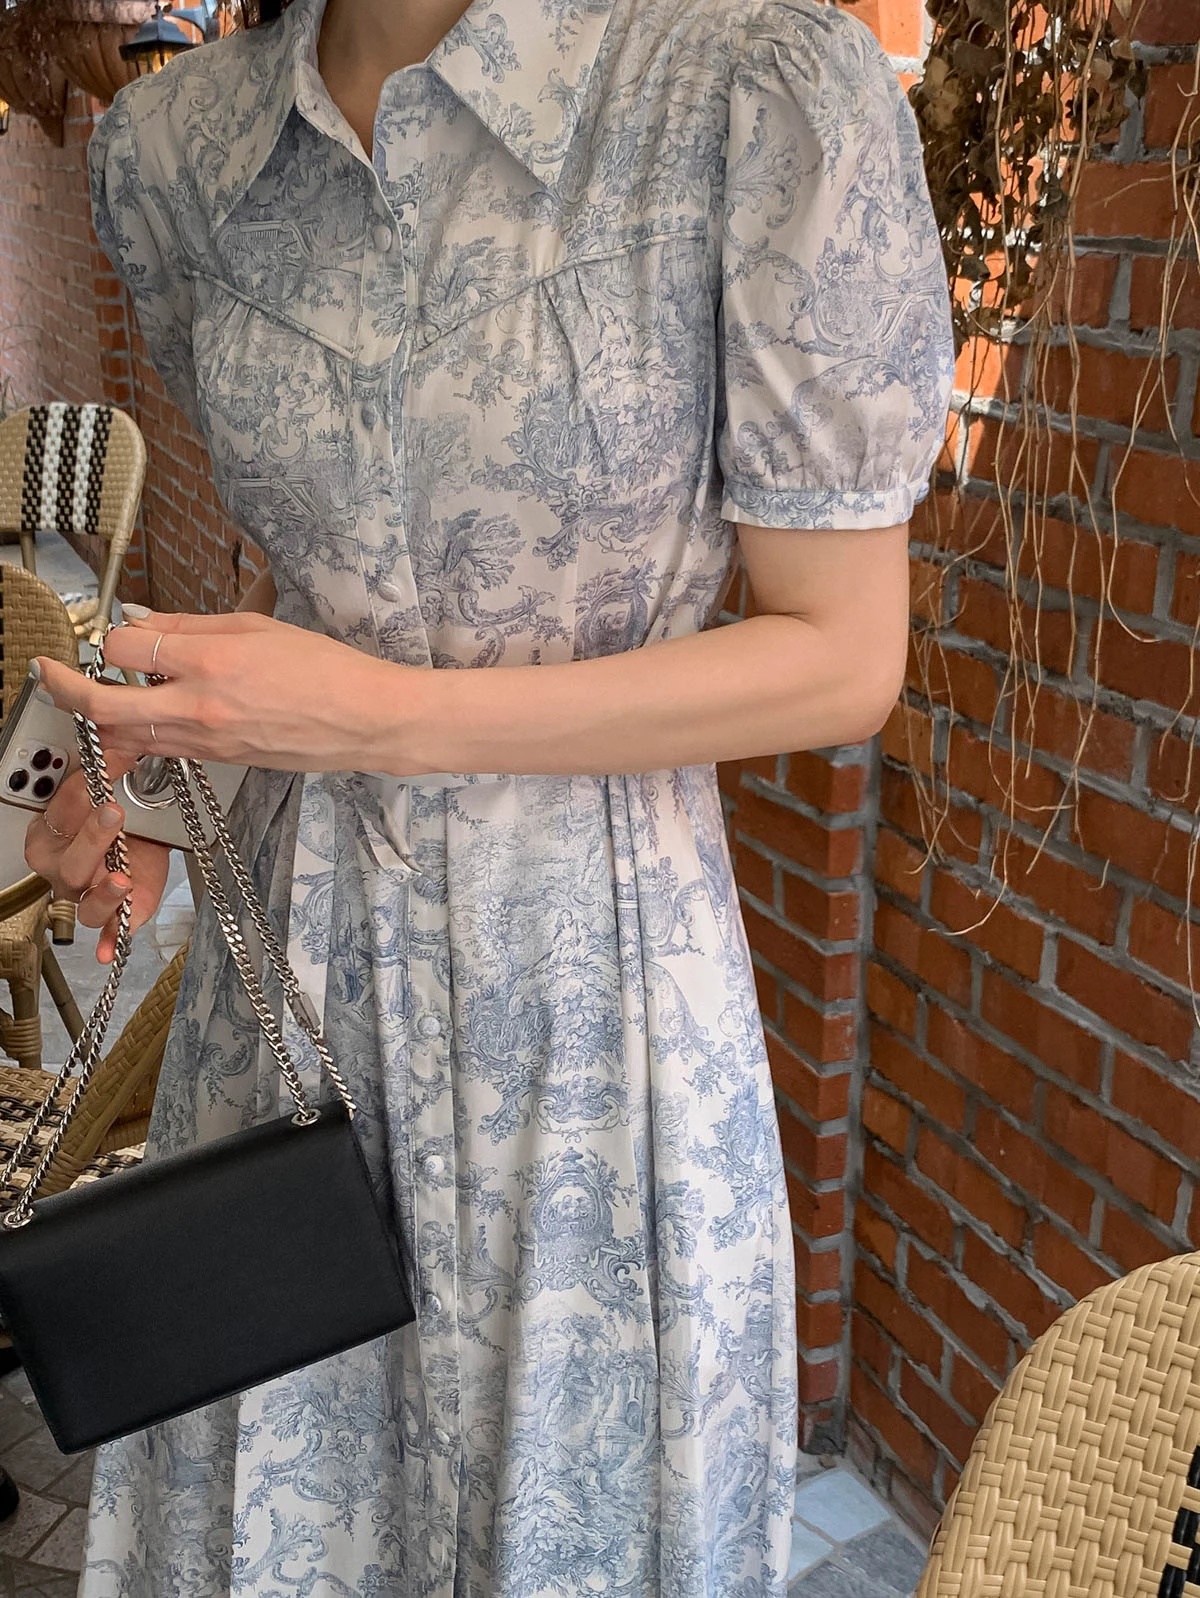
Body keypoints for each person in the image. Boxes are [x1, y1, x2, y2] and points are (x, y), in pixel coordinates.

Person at [26, 0, 954, 1589]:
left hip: (601, 1009)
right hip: (296, 1002)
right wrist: (161, 771)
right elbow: (318, 595)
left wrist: (389, 720)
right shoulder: (180, 153)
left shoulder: (739, 86)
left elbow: (842, 654)